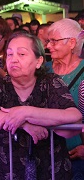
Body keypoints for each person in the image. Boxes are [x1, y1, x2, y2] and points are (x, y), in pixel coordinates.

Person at [0, 31, 81, 179]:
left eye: (21, 54)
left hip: (49, 170)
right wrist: (23, 123)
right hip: (3, 171)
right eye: (10, 54)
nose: (13, 60)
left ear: (38, 61)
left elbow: (73, 114)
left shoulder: (50, 82)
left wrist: (26, 112)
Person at [44, 18, 84, 177]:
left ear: (72, 43)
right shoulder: (43, 70)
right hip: (45, 155)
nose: (48, 46)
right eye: (48, 41)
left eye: (54, 41)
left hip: (75, 158)